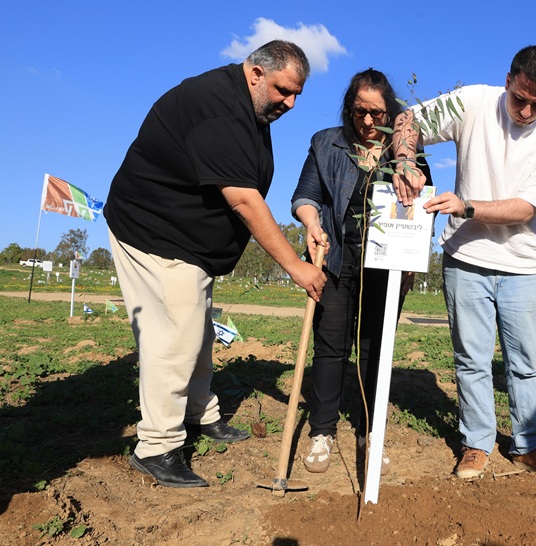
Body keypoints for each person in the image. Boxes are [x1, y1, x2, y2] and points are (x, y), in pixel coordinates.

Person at [104, 40, 327, 488]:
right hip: (155, 234)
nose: (291, 102)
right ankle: (157, 445)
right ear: (256, 73)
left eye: (298, 94)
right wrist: (296, 268)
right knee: (175, 338)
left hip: (190, 244)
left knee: (198, 332)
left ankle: (199, 414)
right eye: (284, 90)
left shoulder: (249, 106)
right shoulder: (217, 106)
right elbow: (244, 199)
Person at [391, 45, 536, 480]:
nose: (527, 110)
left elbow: (526, 209)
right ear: (508, 79)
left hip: (522, 266)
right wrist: (404, 158)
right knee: (471, 359)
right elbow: (407, 119)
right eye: (520, 98)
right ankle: (477, 443)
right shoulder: (473, 101)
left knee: (524, 362)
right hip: (465, 259)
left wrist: (466, 206)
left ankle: (529, 445)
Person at [290, 69, 431, 475]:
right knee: (331, 345)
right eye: (359, 112)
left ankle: (372, 432)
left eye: (376, 113)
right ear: (348, 108)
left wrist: (411, 262)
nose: (368, 122)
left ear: (391, 111)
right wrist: (311, 222)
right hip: (334, 259)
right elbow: (305, 195)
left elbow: (423, 210)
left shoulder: (405, 148)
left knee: (375, 348)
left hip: (385, 264)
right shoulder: (326, 142)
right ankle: (322, 431)